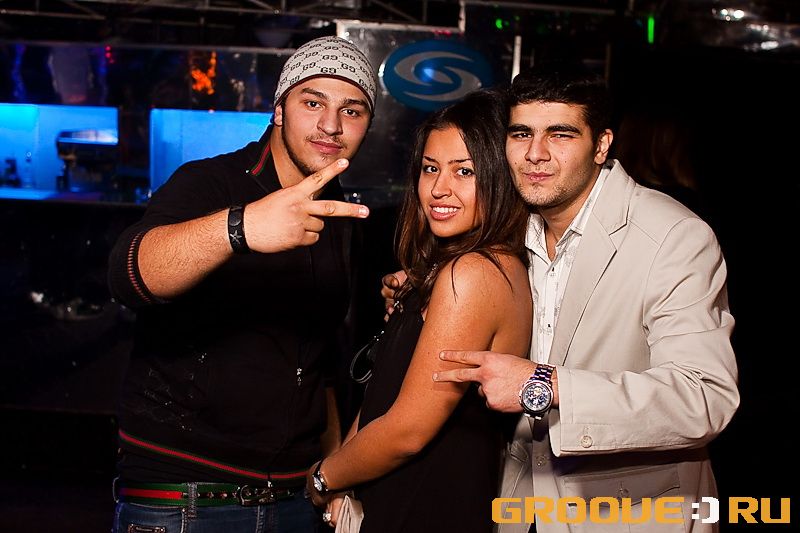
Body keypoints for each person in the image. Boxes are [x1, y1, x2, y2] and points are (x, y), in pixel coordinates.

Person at [385, 62, 740, 532]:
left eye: (560, 134)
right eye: (521, 134)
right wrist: (420, 285)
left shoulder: (672, 237)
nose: (536, 154)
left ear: (602, 145)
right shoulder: (513, 227)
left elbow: (705, 397)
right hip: (522, 508)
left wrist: (546, 386)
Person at [107, 36, 377, 533]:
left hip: (294, 500)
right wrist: (240, 228)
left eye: (352, 110)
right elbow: (130, 274)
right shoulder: (210, 182)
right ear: (278, 110)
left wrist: (335, 470)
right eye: (312, 102)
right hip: (188, 499)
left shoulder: (342, 216)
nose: (331, 125)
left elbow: (318, 360)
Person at [305, 89, 533, 533]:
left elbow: (407, 431)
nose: (438, 188)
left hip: (428, 509)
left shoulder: (474, 273)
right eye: (430, 168)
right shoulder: (450, 269)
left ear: (500, 177)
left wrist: (322, 478)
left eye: (464, 171)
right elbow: (385, 395)